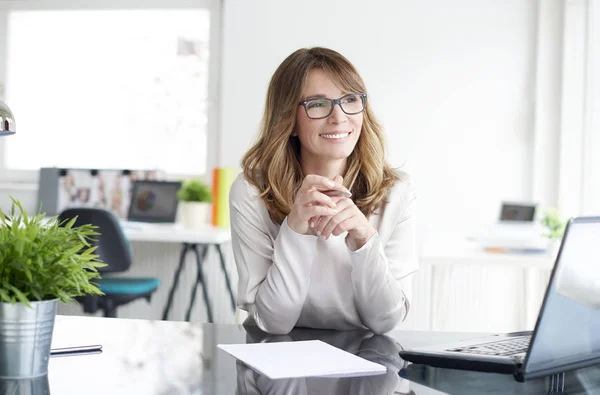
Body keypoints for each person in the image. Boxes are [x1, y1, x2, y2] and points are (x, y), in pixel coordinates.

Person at [229, 47, 418, 335]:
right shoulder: (251, 191)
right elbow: (274, 323)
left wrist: (365, 238)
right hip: (274, 356)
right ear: (288, 120)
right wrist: (293, 232)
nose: (339, 117)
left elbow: (385, 321)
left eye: (350, 100)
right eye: (317, 104)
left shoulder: (396, 191)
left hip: (365, 359)